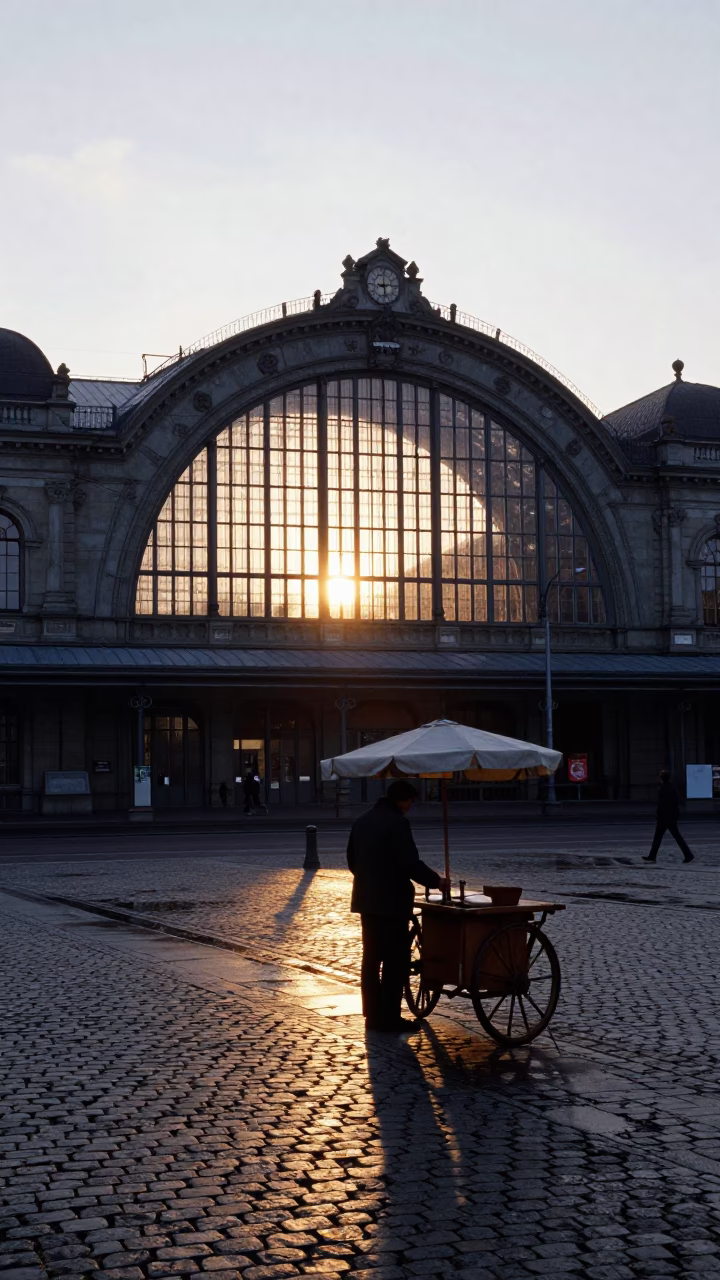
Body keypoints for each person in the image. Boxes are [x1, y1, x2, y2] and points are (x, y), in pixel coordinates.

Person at [347, 779, 449, 1034]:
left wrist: (368, 879)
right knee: (395, 962)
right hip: (391, 903)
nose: (410, 807)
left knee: (371, 959)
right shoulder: (397, 823)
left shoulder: (363, 820)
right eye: (410, 802)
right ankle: (390, 1018)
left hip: (367, 901)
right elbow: (410, 863)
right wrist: (436, 881)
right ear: (402, 800)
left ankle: (372, 1015)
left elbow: (351, 860)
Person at [643, 769, 694, 863]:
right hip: (670, 817)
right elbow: (675, 801)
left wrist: (658, 815)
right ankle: (652, 855)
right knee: (672, 837)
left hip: (664, 817)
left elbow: (662, 804)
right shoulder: (671, 787)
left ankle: (653, 856)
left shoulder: (663, 788)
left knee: (660, 837)